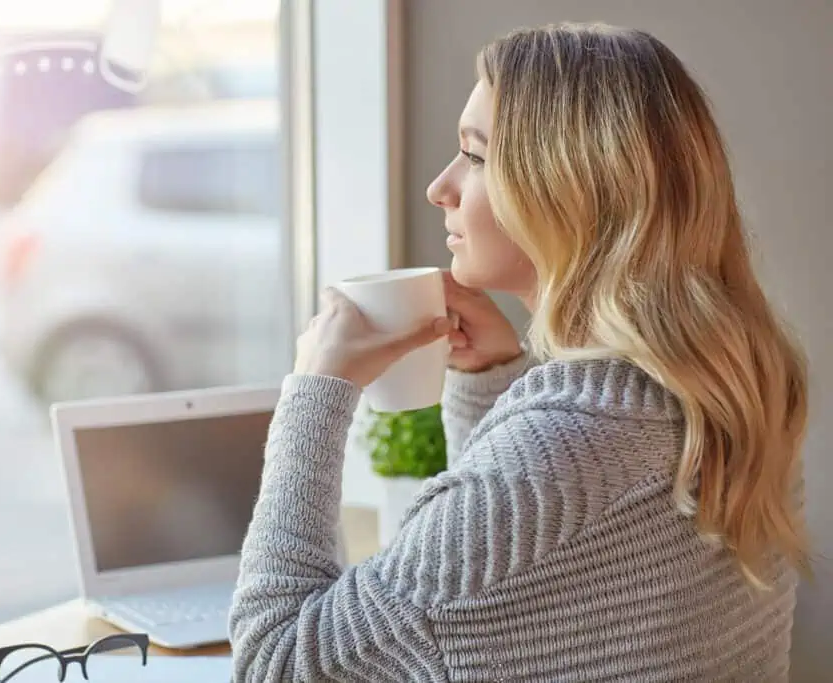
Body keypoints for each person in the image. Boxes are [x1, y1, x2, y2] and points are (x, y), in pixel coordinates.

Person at [228, 21, 809, 682]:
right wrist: (492, 384)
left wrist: (316, 387)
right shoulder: (737, 383)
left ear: (568, 189)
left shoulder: (562, 443)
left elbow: (273, 659)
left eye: (475, 157)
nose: (440, 187)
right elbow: (555, 606)